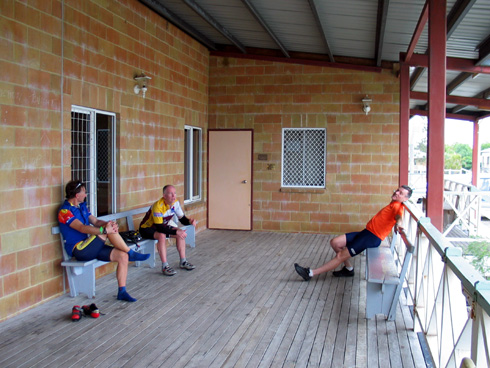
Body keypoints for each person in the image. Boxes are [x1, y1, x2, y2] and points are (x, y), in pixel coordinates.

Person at [294, 185, 412, 281]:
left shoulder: (398, 206)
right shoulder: (393, 203)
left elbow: (398, 217)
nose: (397, 193)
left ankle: (310, 273)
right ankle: (349, 269)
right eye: (398, 190)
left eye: (401, 193)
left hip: (371, 238)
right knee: (335, 242)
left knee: (340, 256)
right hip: (366, 232)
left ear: (405, 199)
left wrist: (398, 224)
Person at [58, 180, 150, 302]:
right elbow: (81, 227)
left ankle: (122, 292)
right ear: (77, 195)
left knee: (122, 256)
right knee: (108, 231)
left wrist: (108, 224)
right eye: (84, 192)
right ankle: (131, 252)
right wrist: (105, 230)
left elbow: (95, 222)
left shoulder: (82, 207)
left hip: (92, 246)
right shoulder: (64, 211)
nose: (86, 195)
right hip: (80, 249)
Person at [139, 185, 197, 276]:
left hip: (161, 226)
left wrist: (190, 221)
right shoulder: (158, 206)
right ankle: (165, 266)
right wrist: (175, 231)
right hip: (146, 229)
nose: (174, 196)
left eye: (175, 193)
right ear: (164, 196)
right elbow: (159, 228)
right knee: (161, 235)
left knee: (180, 233)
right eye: (170, 194)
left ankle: (183, 261)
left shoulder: (176, 203)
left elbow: (182, 219)